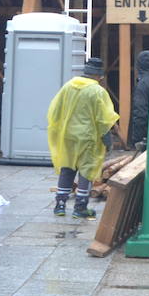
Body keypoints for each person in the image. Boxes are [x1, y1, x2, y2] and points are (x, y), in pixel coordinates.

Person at [46, 56, 119, 219]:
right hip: (88, 138)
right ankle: (80, 207)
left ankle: (60, 205)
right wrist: (108, 141)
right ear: (98, 75)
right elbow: (103, 120)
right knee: (86, 171)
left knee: (67, 168)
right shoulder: (97, 91)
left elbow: (55, 111)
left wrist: (59, 131)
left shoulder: (68, 87)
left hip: (67, 136)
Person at [127, 50, 149, 148]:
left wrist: (137, 139)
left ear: (138, 65)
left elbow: (140, 113)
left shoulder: (142, 85)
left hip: (147, 136)